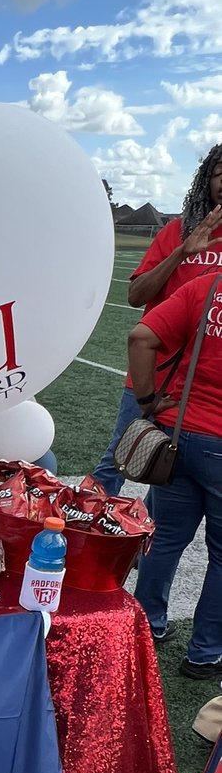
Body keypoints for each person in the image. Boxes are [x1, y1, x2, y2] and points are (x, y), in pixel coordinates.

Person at [93, 144, 222, 494]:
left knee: (171, 479)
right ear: (206, 181)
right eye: (220, 172)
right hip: (154, 377)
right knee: (120, 458)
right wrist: (182, 251)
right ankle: (81, 539)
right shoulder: (177, 231)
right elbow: (136, 297)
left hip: (208, 392)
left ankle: (147, 543)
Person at [129, 270, 222, 677]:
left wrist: (147, 399)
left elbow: (140, 337)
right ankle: (205, 653)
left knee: (164, 537)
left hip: (180, 433)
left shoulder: (209, 286)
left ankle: (146, 627)